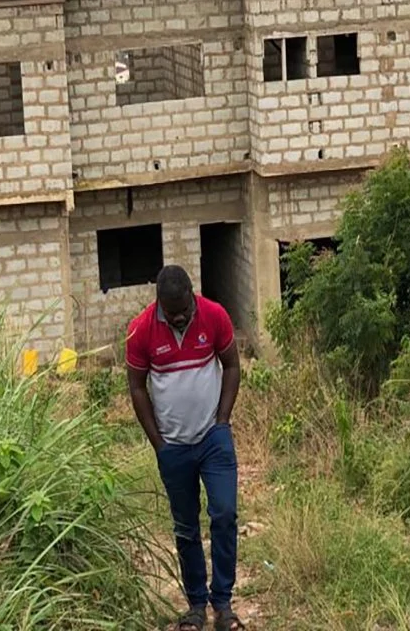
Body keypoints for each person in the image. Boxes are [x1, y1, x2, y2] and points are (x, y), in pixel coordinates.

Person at [126, 265, 244, 631]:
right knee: (186, 527)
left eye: (184, 311)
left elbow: (232, 365)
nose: (178, 318)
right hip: (173, 447)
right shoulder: (141, 330)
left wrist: (222, 420)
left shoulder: (214, 315)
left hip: (213, 439)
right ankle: (196, 605)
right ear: (159, 303)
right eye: (171, 312)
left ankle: (222, 604)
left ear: (193, 297)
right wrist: (159, 445)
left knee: (223, 514)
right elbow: (137, 388)